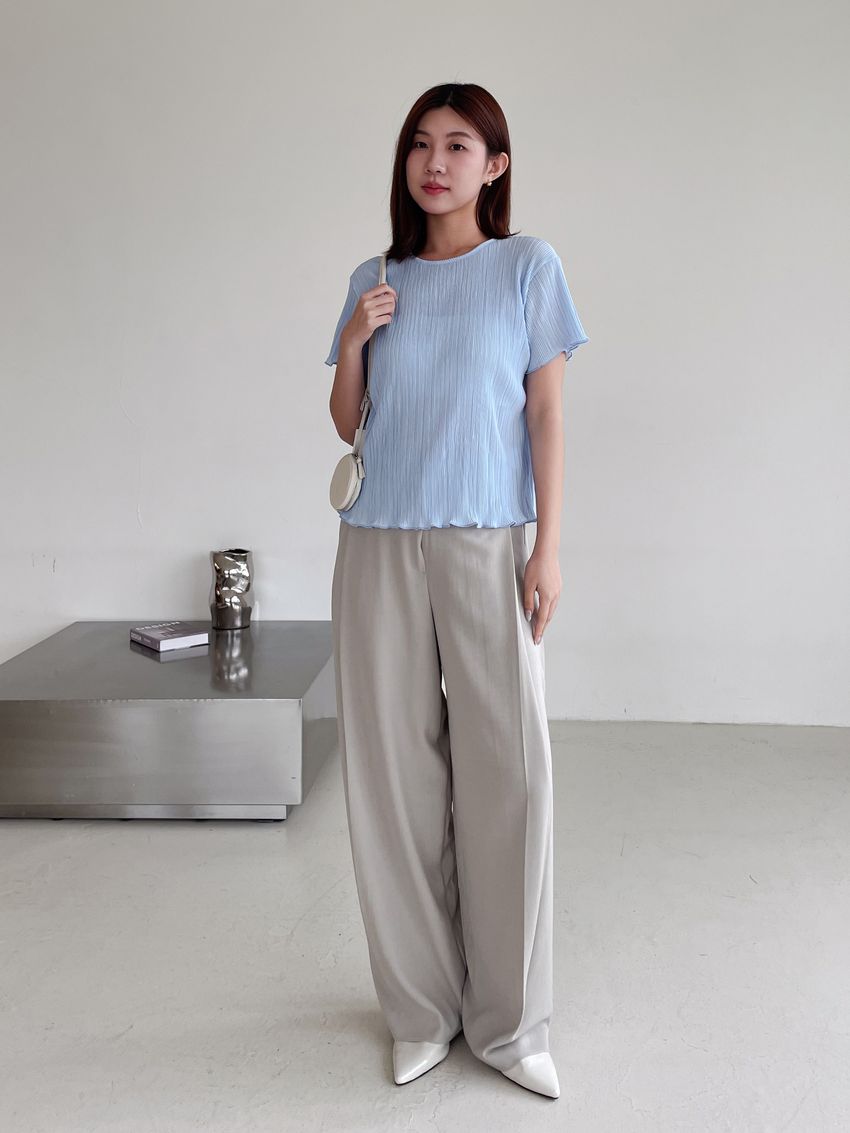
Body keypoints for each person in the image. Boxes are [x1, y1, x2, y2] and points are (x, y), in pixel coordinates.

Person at [324, 82, 588, 1100]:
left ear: (495, 165)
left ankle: (513, 1025)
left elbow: (545, 414)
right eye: (421, 145)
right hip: (378, 545)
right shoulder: (375, 276)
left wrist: (547, 547)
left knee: (508, 773)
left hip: (488, 542)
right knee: (391, 779)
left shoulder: (527, 267)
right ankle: (421, 1012)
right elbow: (348, 420)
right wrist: (355, 338)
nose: (435, 163)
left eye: (459, 145)